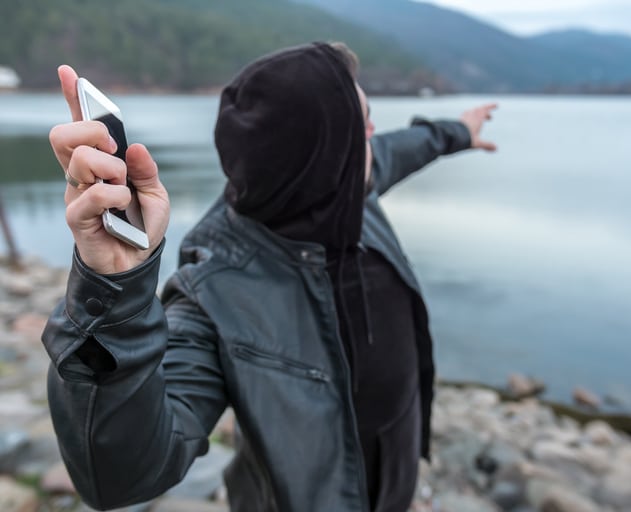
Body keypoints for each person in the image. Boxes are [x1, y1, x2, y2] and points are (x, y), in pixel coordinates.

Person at [42, 42, 496, 512]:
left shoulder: (346, 189)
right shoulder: (217, 289)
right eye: (361, 125)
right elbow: (121, 478)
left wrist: (458, 132)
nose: (373, 135)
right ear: (328, 157)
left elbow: (397, 149)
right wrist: (111, 291)